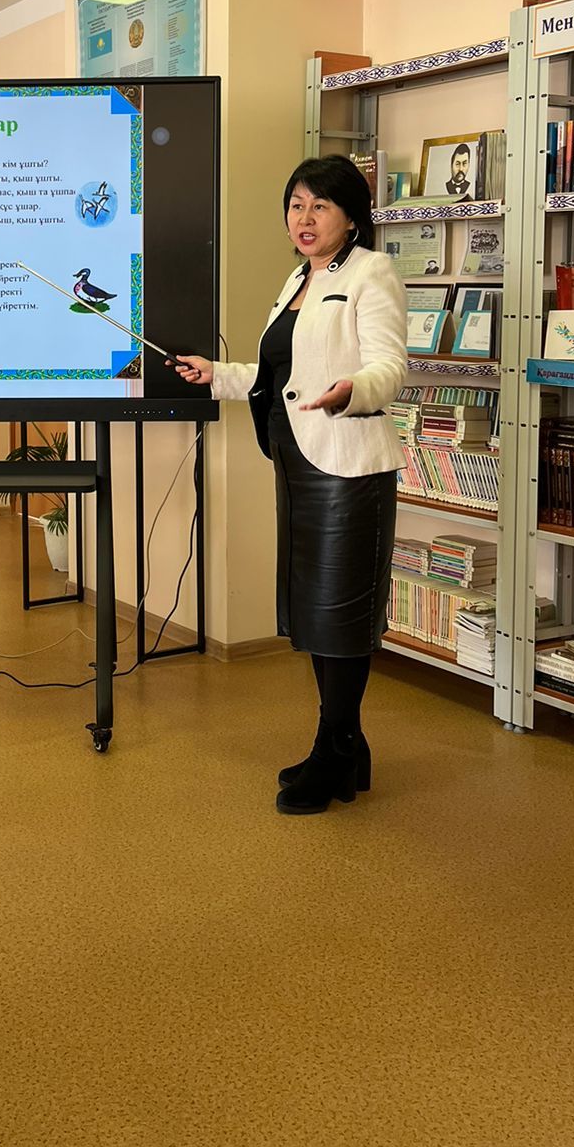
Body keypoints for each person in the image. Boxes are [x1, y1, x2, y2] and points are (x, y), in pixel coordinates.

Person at [172, 156, 407, 815]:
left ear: (351, 217)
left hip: (348, 467)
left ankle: (335, 749)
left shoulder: (371, 273)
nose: (304, 218)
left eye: (319, 205)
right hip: (297, 463)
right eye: (296, 204)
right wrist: (216, 374)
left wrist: (352, 390)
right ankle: (345, 745)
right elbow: (281, 374)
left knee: (341, 614)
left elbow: (390, 366)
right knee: (314, 610)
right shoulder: (298, 279)